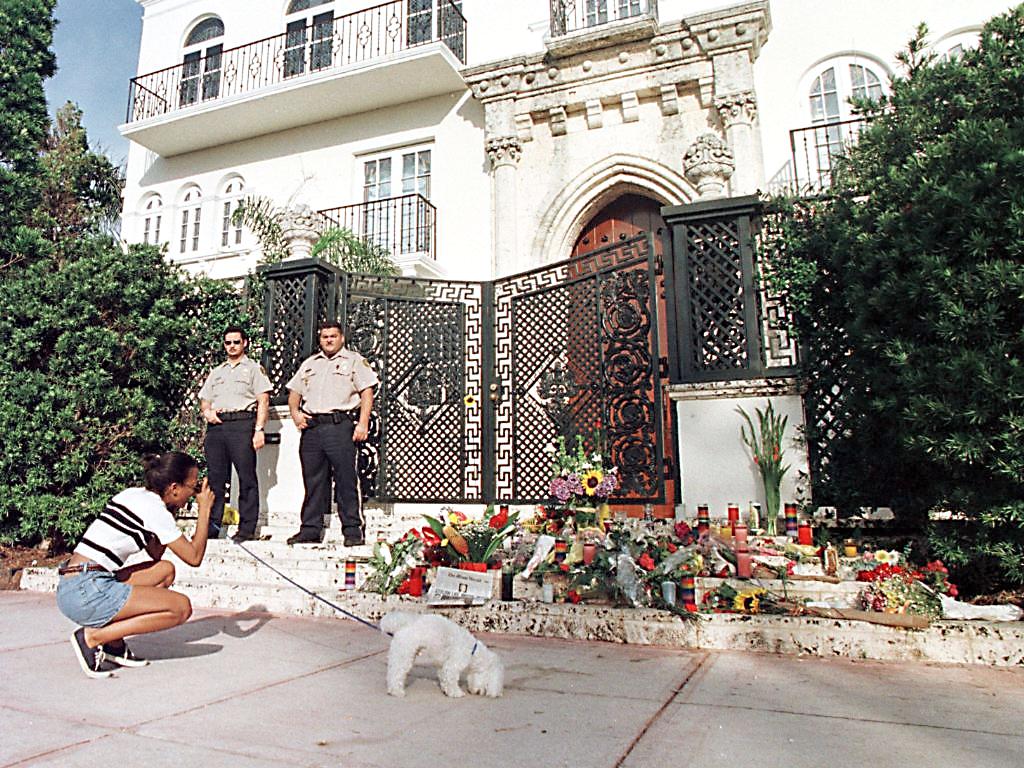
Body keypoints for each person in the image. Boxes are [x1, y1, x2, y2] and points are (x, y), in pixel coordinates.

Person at [55, 451, 215, 678]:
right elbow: (194, 557)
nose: (195, 493)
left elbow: (155, 553)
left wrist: (172, 511)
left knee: (164, 571)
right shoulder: (155, 510)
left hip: (75, 584)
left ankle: (114, 645)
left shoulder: (135, 495)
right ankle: (92, 638)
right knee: (181, 608)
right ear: (174, 488)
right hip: (87, 591)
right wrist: (205, 510)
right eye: (193, 487)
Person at [286, 321, 378, 546]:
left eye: (333, 336)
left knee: (346, 479)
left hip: (340, 425)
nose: (328, 340)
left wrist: (363, 423)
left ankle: (353, 530)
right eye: (325, 336)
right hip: (313, 428)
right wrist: (295, 414)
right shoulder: (310, 364)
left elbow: (367, 392)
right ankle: (310, 528)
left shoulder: (354, 361)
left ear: (342, 338)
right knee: (313, 480)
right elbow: (294, 392)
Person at [198, 326, 272, 542]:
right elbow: (205, 398)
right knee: (215, 479)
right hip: (218, 427)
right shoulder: (217, 371)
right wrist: (207, 412)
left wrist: (259, 429)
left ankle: (247, 529)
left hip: (242, 424)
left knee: (247, 477)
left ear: (245, 343)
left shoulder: (253, 369)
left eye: (236, 342)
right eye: (228, 343)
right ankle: (212, 527)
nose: (232, 346)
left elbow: (263, 401)